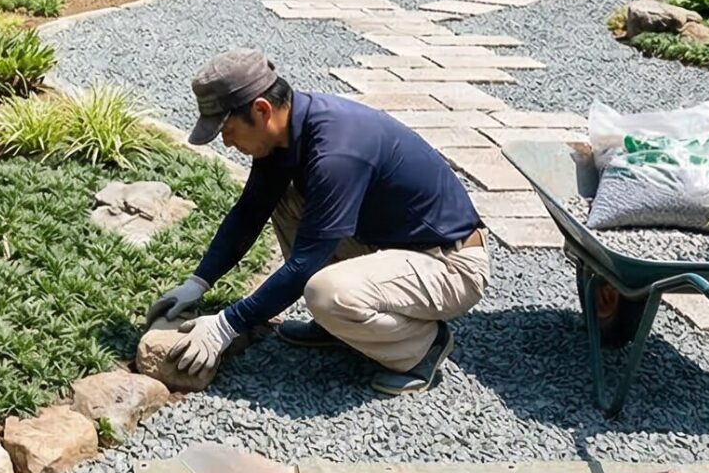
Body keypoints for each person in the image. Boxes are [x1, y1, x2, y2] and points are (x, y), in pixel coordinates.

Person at [146, 49, 488, 395]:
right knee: (283, 199)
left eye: (228, 130)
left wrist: (224, 326)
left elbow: (305, 265)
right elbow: (250, 211)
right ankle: (344, 326)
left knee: (325, 292)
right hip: (393, 245)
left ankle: (420, 347)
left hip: (448, 264)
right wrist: (199, 281)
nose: (227, 142)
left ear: (261, 110)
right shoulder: (287, 132)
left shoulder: (335, 152)